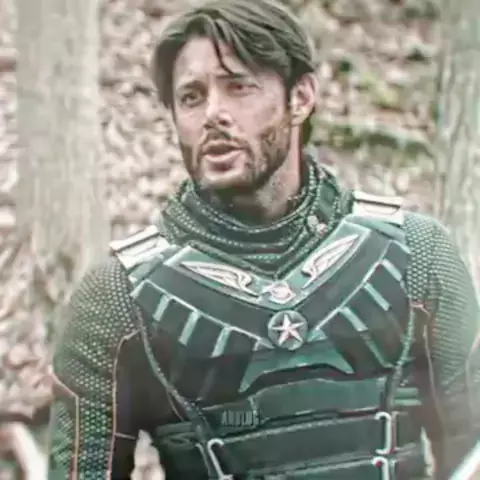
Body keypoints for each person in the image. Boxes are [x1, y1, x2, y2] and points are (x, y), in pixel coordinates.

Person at [47, 0, 480, 478]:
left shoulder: (416, 254)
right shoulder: (118, 298)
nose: (213, 114)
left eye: (239, 87)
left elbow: (472, 446)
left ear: (301, 97)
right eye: (191, 97)